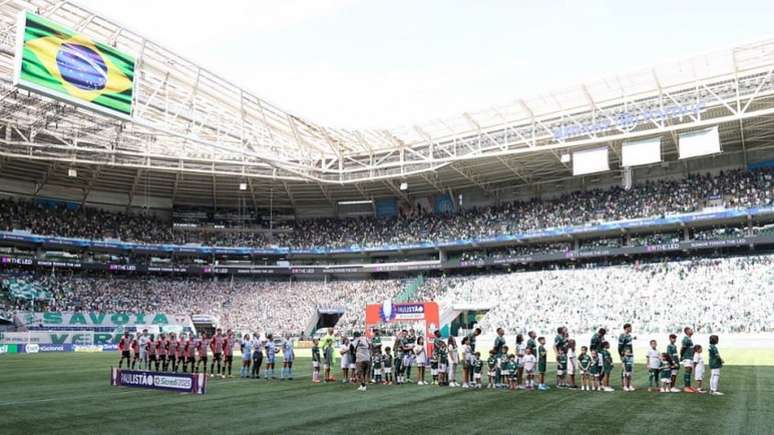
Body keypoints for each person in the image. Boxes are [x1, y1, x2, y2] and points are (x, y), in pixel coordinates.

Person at [618, 324, 634, 389]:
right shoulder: (622, 336)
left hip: (630, 354)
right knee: (624, 369)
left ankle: (629, 384)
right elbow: (620, 346)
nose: (631, 329)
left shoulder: (629, 336)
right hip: (625, 354)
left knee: (630, 369)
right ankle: (624, 385)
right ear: (626, 328)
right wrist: (621, 355)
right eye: (630, 328)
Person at [680, 327, 696, 392]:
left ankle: (689, 386)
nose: (692, 330)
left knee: (689, 372)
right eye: (690, 330)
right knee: (687, 371)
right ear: (687, 331)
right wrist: (681, 356)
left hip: (690, 357)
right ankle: (686, 387)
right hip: (687, 357)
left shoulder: (689, 339)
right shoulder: (686, 339)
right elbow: (682, 348)